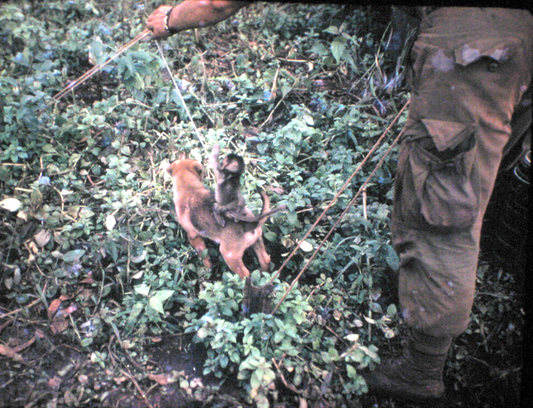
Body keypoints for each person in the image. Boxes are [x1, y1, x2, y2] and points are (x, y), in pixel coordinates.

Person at [147, 1, 533, 402]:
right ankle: (492, 268)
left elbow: (218, 3)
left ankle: (423, 371)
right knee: (485, 168)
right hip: (508, 35)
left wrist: (172, 18)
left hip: (477, 44)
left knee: (442, 212)